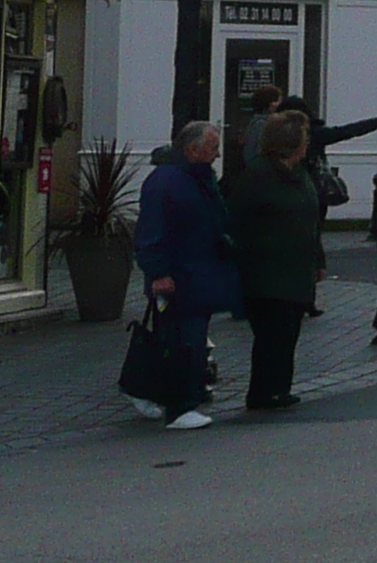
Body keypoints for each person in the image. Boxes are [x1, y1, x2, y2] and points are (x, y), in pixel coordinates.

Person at [130, 120, 240, 431]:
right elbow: (151, 232)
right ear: (193, 150)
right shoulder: (169, 182)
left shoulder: (190, 179)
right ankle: (180, 406)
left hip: (195, 273)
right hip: (181, 276)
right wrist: (158, 272)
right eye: (212, 148)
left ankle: (161, 393)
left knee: (186, 339)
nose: (217, 155)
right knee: (182, 341)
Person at [224, 110, 326, 412]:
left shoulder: (300, 173)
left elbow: (311, 220)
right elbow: (239, 221)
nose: (307, 144)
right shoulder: (259, 175)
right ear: (291, 142)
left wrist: (317, 260)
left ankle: (279, 388)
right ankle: (263, 392)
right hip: (267, 270)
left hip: (296, 269)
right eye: (303, 138)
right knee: (272, 334)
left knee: (288, 332)